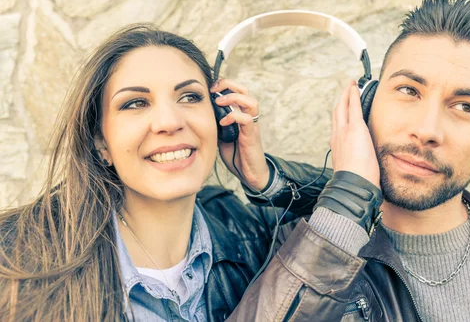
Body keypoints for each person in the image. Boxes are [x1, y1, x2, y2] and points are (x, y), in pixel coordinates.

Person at [228, 0, 470, 321]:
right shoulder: (300, 253)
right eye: (409, 90)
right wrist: (347, 195)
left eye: (465, 107)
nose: (427, 130)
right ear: (366, 105)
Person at [0, 24, 329, 321]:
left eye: (189, 97)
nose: (170, 122)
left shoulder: (250, 235)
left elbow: (357, 218)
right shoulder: (15, 259)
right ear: (101, 141)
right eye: (136, 103)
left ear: (219, 119)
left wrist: (267, 179)